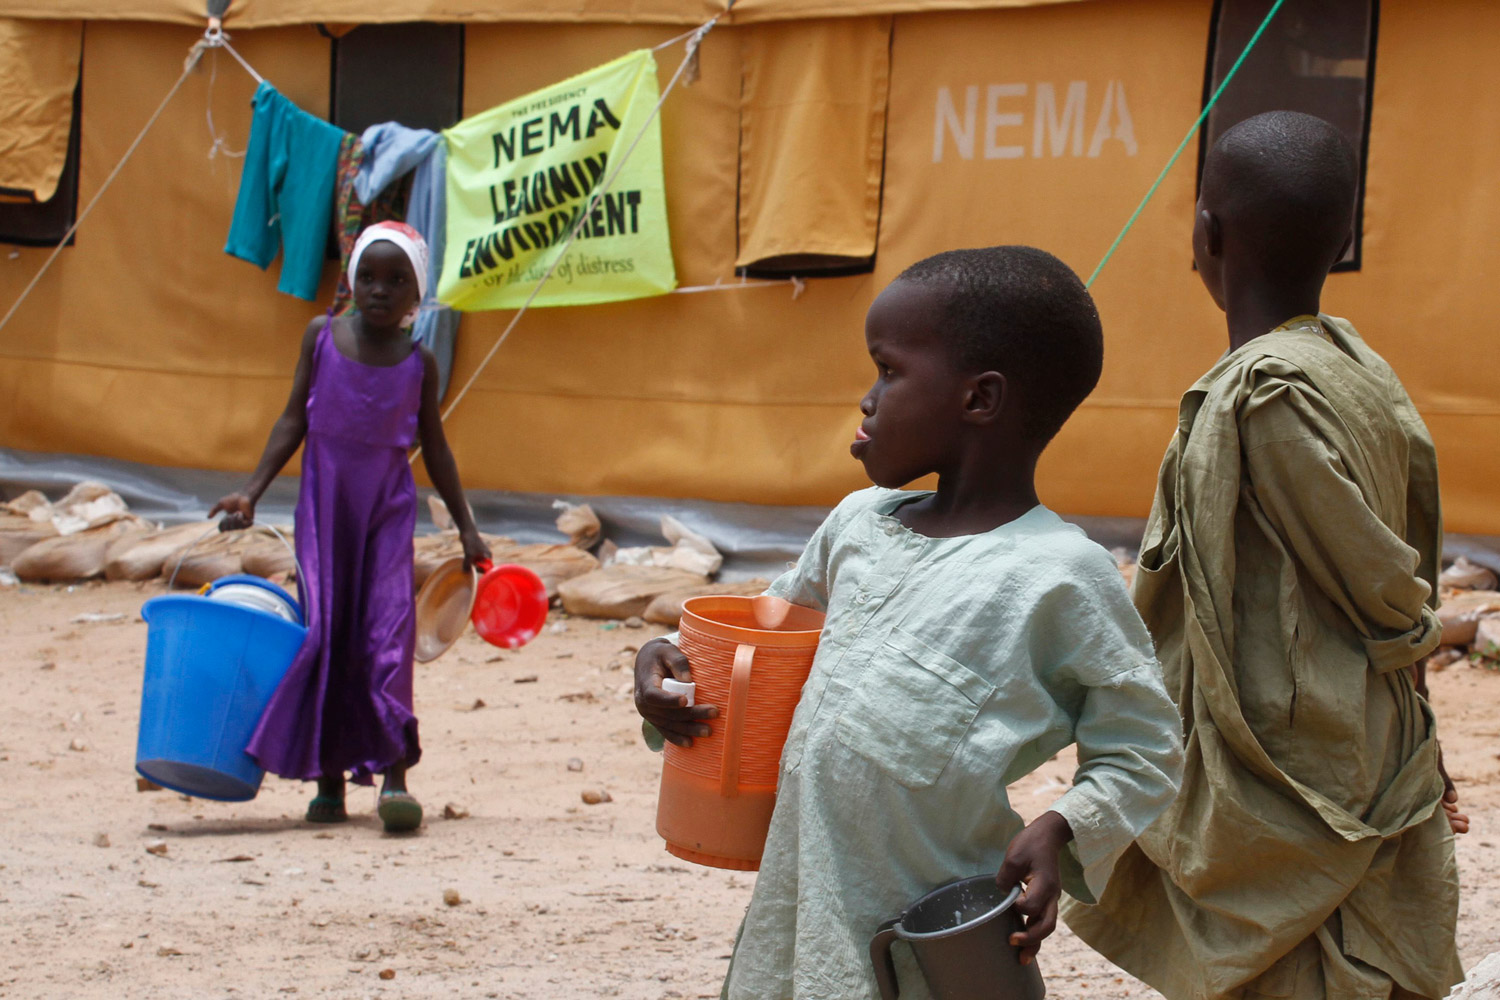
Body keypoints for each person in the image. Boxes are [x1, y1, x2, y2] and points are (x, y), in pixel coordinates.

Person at [634, 246, 1185, 999]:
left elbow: (1146, 747)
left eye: (888, 372)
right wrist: (669, 662)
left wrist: (1063, 826)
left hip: (929, 948)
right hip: (794, 924)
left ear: (979, 399)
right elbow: (759, 648)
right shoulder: (857, 526)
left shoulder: (1060, 575)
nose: (868, 400)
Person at [1062, 111, 1467, 1000]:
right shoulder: (1356, 364)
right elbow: (1405, 559)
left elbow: (1379, 582)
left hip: (1297, 756)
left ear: (1205, 233)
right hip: (1355, 732)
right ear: (1345, 242)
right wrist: (1414, 718)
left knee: (1295, 957)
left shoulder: (1265, 396)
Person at [211, 221, 489, 833]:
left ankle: (395, 778)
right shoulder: (322, 338)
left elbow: (437, 450)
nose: (379, 289)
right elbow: (292, 420)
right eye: (368, 276)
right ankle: (329, 781)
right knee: (328, 636)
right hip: (324, 514)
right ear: (352, 280)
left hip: (386, 517)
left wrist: (466, 527)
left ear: (417, 293)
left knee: (387, 637)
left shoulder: (419, 363)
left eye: (396, 280)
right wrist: (251, 492)